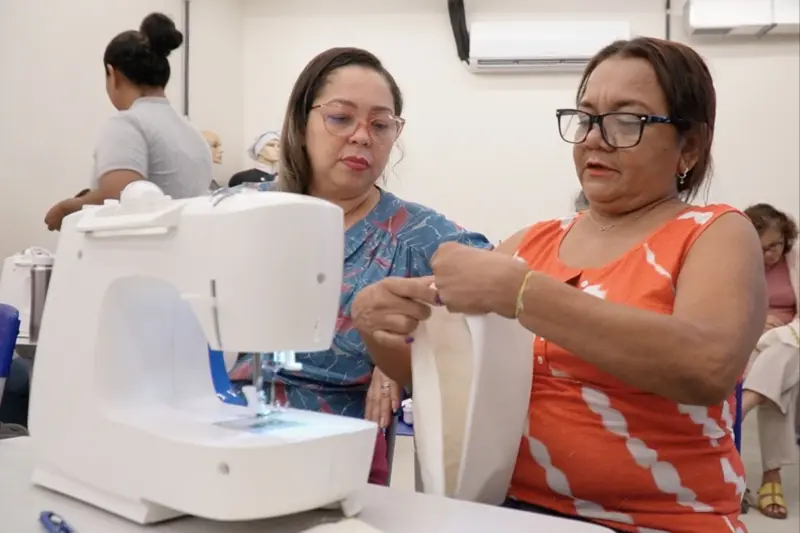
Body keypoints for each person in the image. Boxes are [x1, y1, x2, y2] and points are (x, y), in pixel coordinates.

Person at [354, 37, 764, 533]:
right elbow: (451, 378)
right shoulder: (533, 242)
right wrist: (380, 329)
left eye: (626, 120)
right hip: (509, 511)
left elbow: (708, 366)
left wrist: (525, 294)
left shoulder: (714, 231)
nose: (595, 138)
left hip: (663, 520)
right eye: (587, 117)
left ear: (690, 145)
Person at [225, 47, 491, 484]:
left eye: (381, 124)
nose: (363, 136)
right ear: (300, 122)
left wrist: (401, 345)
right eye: (341, 117)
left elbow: (494, 277)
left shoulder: (414, 232)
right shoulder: (247, 212)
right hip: (231, 432)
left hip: (338, 463)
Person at [44, 12, 212, 231]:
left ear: (113, 74)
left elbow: (120, 200)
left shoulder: (127, 124)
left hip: (140, 259)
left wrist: (68, 208)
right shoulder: (192, 132)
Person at [740, 203, 798, 520]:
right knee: (781, 381)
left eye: (775, 245)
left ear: (785, 239)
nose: (770, 255)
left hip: (795, 338)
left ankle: (744, 404)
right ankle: (771, 480)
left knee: (787, 350)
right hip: (755, 341)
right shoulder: (735, 264)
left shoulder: (796, 260)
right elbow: (726, 309)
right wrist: (758, 320)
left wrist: (787, 329)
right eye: (761, 249)